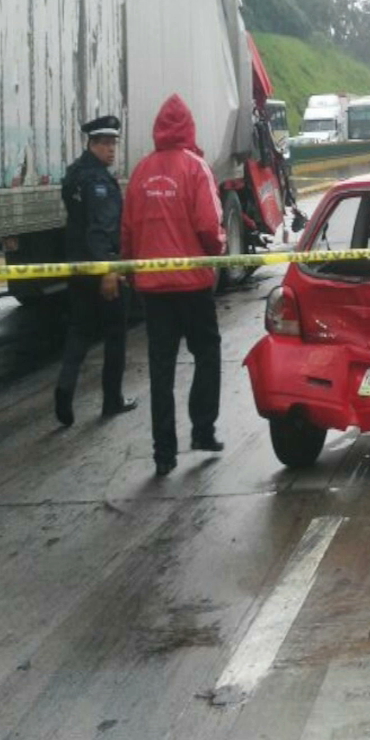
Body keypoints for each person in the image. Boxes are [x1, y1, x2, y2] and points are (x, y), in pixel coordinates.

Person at [122, 95, 227, 477]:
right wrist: (217, 251)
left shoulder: (141, 172)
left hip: (153, 290)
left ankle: (163, 452)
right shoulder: (196, 168)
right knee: (207, 353)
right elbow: (209, 226)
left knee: (161, 368)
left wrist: (131, 271)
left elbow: (127, 229)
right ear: (189, 129)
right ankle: (202, 430)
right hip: (193, 285)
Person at [53, 115, 136, 426]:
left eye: (113, 143)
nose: (111, 149)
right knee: (115, 334)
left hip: (77, 266)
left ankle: (65, 388)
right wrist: (109, 269)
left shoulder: (74, 174)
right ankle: (112, 399)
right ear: (91, 144)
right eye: (104, 143)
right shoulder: (98, 182)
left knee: (79, 329)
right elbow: (100, 229)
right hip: (103, 270)